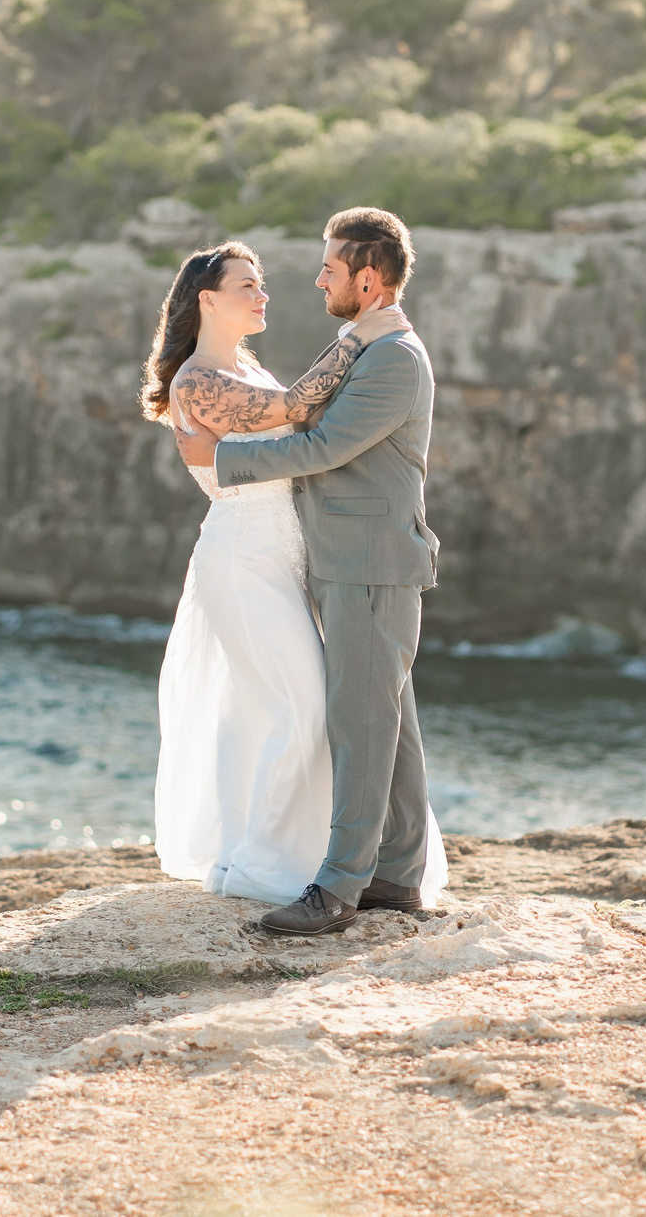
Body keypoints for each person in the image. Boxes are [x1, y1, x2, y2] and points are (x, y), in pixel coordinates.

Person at [139, 239, 441, 910]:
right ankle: (271, 866)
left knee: (296, 708)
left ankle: (312, 858)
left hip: (290, 554)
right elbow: (300, 409)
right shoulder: (196, 379)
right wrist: (369, 329)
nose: (264, 293)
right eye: (248, 284)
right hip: (244, 557)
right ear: (207, 299)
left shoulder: (243, 363)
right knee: (300, 706)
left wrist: (369, 332)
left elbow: (307, 412)